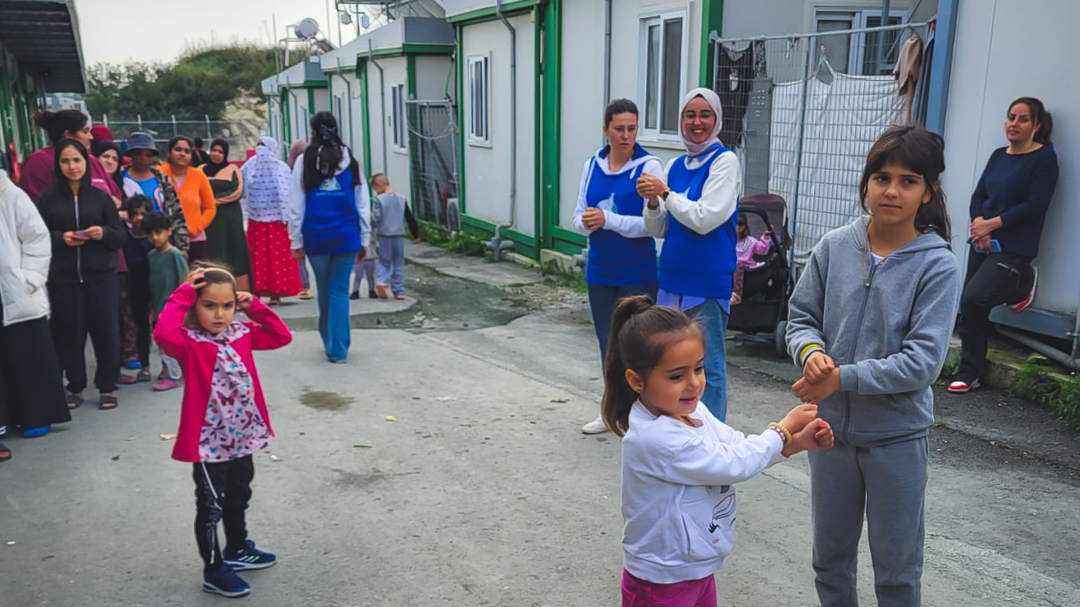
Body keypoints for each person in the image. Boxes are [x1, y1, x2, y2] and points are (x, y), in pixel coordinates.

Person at [785, 126, 960, 607]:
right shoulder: (834, 246)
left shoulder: (937, 266)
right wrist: (811, 352)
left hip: (897, 440)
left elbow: (922, 363)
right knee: (830, 562)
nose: (892, 190)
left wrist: (841, 377)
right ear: (866, 183)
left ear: (929, 191)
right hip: (830, 436)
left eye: (908, 180)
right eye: (882, 177)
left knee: (897, 573)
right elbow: (800, 319)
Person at [602, 295, 833, 607]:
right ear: (636, 380)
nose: (694, 384)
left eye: (697, 368)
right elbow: (733, 464)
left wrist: (793, 444)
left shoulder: (694, 413)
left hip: (694, 567)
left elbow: (735, 445)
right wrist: (781, 430)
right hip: (660, 580)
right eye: (676, 376)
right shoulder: (654, 437)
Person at [153, 265, 292, 598]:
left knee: (240, 495)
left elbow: (280, 336)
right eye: (209, 305)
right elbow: (162, 334)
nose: (219, 314)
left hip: (243, 437)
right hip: (208, 444)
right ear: (194, 307)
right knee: (210, 507)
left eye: (226, 305)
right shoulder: (188, 341)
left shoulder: (242, 332)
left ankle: (238, 549)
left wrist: (254, 305)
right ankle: (214, 569)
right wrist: (183, 294)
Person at [638, 89, 741, 422]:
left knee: (707, 367)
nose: (697, 122)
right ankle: (677, 430)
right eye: (689, 115)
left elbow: (704, 218)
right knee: (671, 363)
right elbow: (660, 228)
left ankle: (712, 443)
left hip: (706, 282)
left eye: (705, 115)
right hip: (672, 279)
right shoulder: (675, 164)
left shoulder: (725, 161)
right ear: (680, 120)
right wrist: (652, 203)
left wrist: (664, 192)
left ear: (717, 120)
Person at [949, 97, 1059, 394]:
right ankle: (970, 372)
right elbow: (978, 196)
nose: (1014, 124)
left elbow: (1035, 206)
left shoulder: (1044, 159)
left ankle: (1022, 281)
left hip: (1014, 244)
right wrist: (978, 226)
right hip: (984, 242)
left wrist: (992, 224)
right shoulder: (999, 155)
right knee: (970, 306)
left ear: (1036, 126)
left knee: (973, 299)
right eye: (1011, 117)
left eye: (1023, 119)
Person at [574, 99, 663, 435]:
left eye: (632, 128)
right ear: (605, 129)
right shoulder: (592, 165)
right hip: (599, 271)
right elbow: (578, 216)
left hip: (637, 272)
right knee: (607, 344)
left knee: (639, 345)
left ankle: (644, 415)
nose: (626, 135)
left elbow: (652, 225)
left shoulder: (649, 166)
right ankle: (612, 412)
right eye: (619, 128)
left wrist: (607, 219)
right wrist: (587, 223)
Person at [37, 139, 126, 411]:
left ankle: (107, 386)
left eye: (77, 160)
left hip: (101, 277)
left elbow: (120, 236)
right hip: (64, 278)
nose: (72, 166)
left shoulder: (100, 198)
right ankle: (75, 385)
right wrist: (61, 238)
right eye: (65, 161)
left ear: (86, 163)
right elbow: (37, 237)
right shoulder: (47, 199)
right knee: (69, 334)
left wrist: (104, 233)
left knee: (106, 331)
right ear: (58, 165)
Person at [0, 168, 71, 461]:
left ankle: (36, 415)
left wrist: (27, 278)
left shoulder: (11, 195)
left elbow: (37, 238)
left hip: (17, 292)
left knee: (28, 354)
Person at [288, 112, 370, 363]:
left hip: (316, 236)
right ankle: (339, 348)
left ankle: (328, 341)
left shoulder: (305, 161)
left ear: (313, 130)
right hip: (346, 235)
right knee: (339, 291)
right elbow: (362, 201)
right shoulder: (350, 159)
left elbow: (296, 204)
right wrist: (365, 237)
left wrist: (295, 240)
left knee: (324, 290)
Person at [94, 139, 140, 375]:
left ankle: (131, 351)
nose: (110, 161)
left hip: (130, 251)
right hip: (106, 255)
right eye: (105, 157)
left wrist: (121, 210)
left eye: (114, 158)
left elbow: (140, 213)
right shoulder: (92, 187)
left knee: (128, 304)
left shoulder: (124, 185)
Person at [240, 136, 303, 304]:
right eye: (259, 145)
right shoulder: (255, 167)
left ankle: (274, 293)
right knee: (261, 259)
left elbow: (288, 193)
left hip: (274, 222)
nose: (261, 150)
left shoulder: (277, 168)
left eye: (264, 146)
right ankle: (260, 292)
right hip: (262, 221)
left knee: (270, 259)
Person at [19, 110, 122, 204]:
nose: (90, 137)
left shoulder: (92, 161)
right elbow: (34, 204)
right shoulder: (39, 161)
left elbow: (117, 195)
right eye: (85, 131)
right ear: (68, 134)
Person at [121, 132, 189, 253]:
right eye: (138, 154)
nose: (143, 158)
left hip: (161, 241)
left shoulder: (161, 179)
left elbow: (176, 212)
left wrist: (182, 246)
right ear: (131, 155)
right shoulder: (120, 179)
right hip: (130, 241)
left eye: (148, 155)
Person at [144, 211, 189, 391]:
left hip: (174, 308)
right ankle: (168, 371)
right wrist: (153, 308)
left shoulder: (175, 255)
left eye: (159, 232)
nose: (155, 237)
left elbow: (184, 281)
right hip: (159, 307)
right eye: (150, 234)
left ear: (169, 231)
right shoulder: (151, 256)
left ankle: (174, 376)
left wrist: (185, 307)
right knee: (162, 341)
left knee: (167, 343)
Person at [202, 138, 252, 292]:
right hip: (208, 219)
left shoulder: (233, 170)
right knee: (213, 250)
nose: (216, 154)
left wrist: (212, 201)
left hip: (230, 219)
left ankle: (240, 292)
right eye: (214, 150)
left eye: (220, 152)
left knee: (234, 251)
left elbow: (236, 191)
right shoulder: (200, 169)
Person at [160, 136, 216, 262]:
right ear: (169, 152)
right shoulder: (159, 174)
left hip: (195, 239)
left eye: (187, 151)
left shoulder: (198, 175)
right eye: (178, 150)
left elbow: (210, 207)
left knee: (199, 277)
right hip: (165, 239)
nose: (182, 154)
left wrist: (196, 228)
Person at [122, 195, 155, 383]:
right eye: (134, 214)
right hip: (134, 289)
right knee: (141, 328)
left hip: (156, 289)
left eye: (143, 213)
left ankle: (172, 368)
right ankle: (144, 366)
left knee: (161, 327)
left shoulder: (155, 238)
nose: (139, 218)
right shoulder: (125, 239)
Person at [370, 173, 418, 300]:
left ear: (379, 185)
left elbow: (376, 217)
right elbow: (409, 217)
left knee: (384, 261)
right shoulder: (401, 198)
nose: (375, 191)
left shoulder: (379, 199)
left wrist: (368, 228)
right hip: (399, 235)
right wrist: (415, 234)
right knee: (398, 262)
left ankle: (381, 281)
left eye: (375, 188)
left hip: (384, 235)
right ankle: (399, 291)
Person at [287, 140, 314, 300]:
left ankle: (305, 286)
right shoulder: (314, 167)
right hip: (312, 219)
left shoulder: (291, 169)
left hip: (298, 218)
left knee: (300, 255)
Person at [730, 213, 773, 306]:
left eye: (740, 225)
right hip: (730, 263)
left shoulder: (750, 241)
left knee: (738, 266)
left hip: (745, 265)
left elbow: (762, 250)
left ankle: (737, 295)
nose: (737, 228)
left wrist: (765, 237)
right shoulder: (728, 240)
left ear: (744, 227)